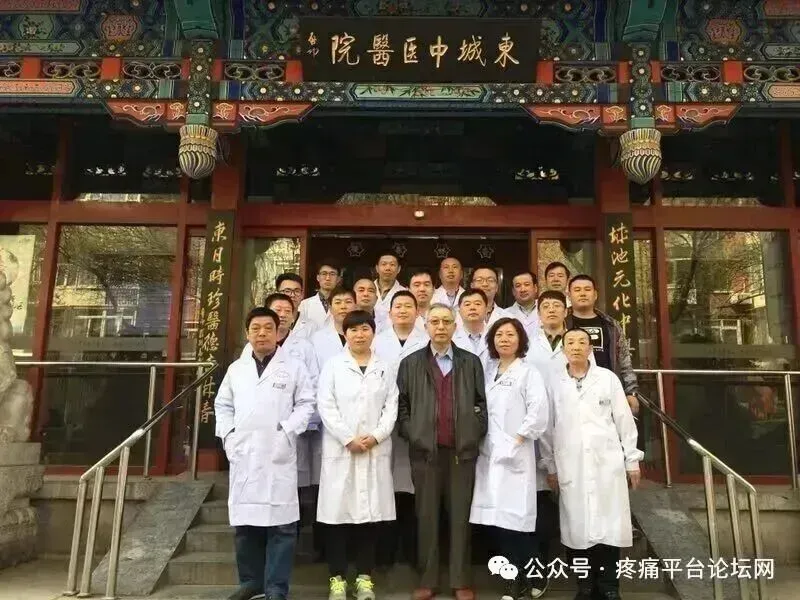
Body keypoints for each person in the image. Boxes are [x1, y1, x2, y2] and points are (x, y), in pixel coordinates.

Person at [215, 307, 315, 600]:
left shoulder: (294, 367)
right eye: (256, 328)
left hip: (277, 454)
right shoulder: (236, 370)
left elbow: (307, 404)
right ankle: (251, 582)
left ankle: (276, 588)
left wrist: (287, 430)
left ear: (278, 332)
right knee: (245, 526)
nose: (262, 334)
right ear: (247, 333)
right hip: (244, 454)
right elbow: (223, 406)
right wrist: (229, 436)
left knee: (282, 528)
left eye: (268, 328)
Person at [539, 328, 643, 600]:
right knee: (576, 528)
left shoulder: (607, 379)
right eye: (570, 342)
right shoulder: (553, 383)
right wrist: (550, 466)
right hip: (570, 464)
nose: (576, 347)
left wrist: (632, 460)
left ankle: (609, 587)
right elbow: (547, 428)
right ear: (563, 350)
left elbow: (624, 420)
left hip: (606, 464)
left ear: (590, 348)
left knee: (610, 528)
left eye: (582, 342)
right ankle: (584, 586)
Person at [397, 303, 488, 600]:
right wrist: (414, 434)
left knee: (460, 518)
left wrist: (473, 431)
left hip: (462, 453)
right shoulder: (411, 363)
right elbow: (402, 407)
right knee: (426, 517)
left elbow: (481, 404)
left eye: (446, 322)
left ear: (454, 326)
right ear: (426, 327)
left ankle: (461, 580)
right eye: (434, 321)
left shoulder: (470, 362)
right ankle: (428, 579)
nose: (440, 327)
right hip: (425, 454)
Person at [316, 310, 398, 600]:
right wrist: (347, 438)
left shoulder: (384, 367)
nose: (359, 335)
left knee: (369, 519)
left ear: (373, 332)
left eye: (365, 329)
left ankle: (364, 578)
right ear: (345, 334)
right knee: (337, 517)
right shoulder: (333, 366)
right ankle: (337, 579)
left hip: (374, 449)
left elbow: (392, 406)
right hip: (341, 450)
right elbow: (326, 405)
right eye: (353, 330)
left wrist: (377, 436)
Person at [470, 318, 548, 600]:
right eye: (499, 335)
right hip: (488, 455)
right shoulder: (487, 371)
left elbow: (538, 411)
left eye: (510, 334)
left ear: (520, 340)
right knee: (497, 521)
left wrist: (517, 440)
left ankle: (534, 574)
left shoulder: (528, 373)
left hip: (516, 455)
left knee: (517, 521)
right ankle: (512, 580)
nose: (504, 339)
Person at [240, 293, 320, 492]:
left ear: (294, 317)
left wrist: (297, 422)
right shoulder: (249, 349)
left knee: (291, 482)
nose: (283, 315)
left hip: (291, 425)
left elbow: (313, 384)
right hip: (256, 428)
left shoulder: (305, 346)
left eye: (288, 311)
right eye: (278, 310)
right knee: (257, 482)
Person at [373, 290, 429, 567]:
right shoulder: (377, 341)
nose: (403, 310)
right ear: (389, 312)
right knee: (384, 485)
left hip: (417, 421)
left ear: (418, 312)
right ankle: (384, 553)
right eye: (398, 306)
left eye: (409, 306)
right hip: (382, 422)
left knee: (414, 488)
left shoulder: (427, 340)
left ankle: (413, 552)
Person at [565, 275, 639, 415]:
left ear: (595, 295)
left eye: (587, 289)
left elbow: (624, 360)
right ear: (569, 295)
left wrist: (631, 392)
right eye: (577, 290)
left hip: (606, 392)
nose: (582, 293)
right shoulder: (562, 324)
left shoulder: (611, 325)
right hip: (571, 392)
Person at [452, 288, 491, 369]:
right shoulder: (451, 339)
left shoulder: (495, 336)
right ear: (459, 311)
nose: (472, 308)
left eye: (477, 304)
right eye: (467, 304)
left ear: (487, 309)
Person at [299, 260, 340, 330]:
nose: (328, 278)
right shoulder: (305, 305)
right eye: (324, 274)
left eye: (332, 274)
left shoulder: (344, 305)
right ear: (318, 277)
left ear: (338, 279)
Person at [275, 273, 316, 340]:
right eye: (287, 291)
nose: (292, 295)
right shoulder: (267, 322)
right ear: (277, 294)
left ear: (302, 295)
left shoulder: (312, 327)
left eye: (297, 291)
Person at [374, 251, 406, 330]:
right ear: (377, 268)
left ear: (399, 269)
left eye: (392, 264)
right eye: (384, 264)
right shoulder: (366, 290)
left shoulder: (405, 293)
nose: (388, 268)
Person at [505, 270, 540, 338]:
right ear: (513, 291)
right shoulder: (504, 314)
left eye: (527, 284)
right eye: (518, 286)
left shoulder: (547, 311)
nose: (523, 289)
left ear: (535, 288)